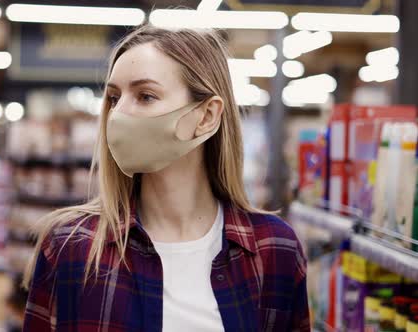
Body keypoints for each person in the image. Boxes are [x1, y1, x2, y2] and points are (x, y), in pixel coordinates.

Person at [22, 25, 310, 332]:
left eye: (145, 96)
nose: (119, 113)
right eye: (114, 98)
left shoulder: (274, 250)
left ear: (207, 116)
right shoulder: (71, 246)